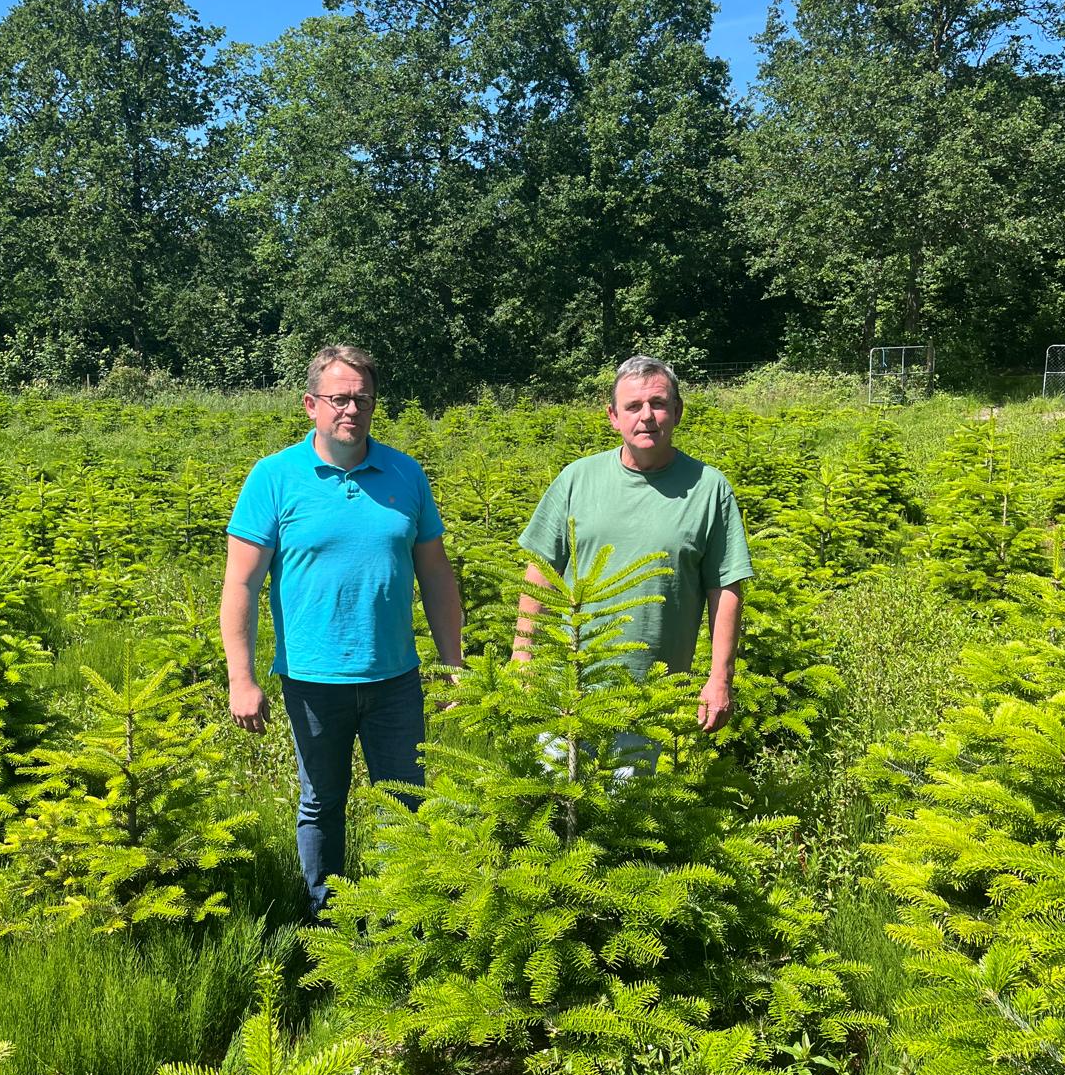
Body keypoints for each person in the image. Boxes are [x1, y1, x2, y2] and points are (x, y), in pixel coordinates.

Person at [220, 344, 463, 916]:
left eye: (362, 398)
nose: (350, 409)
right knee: (321, 803)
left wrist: (454, 664)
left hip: (395, 680)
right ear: (311, 405)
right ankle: (325, 921)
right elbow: (241, 585)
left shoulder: (405, 474)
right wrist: (241, 677)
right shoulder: (273, 478)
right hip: (312, 679)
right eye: (338, 398)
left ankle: (401, 917)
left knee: (404, 803)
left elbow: (436, 575)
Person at [513, 355, 752, 733]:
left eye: (658, 404)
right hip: (569, 692)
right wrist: (522, 656)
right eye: (633, 406)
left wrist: (720, 677)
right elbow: (541, 570)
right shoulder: (576, 479)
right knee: (556, 792)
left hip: (656, 696)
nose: (647, 416)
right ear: (613, 416)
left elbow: (725, 586)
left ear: (677, 411)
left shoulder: (709, 488)